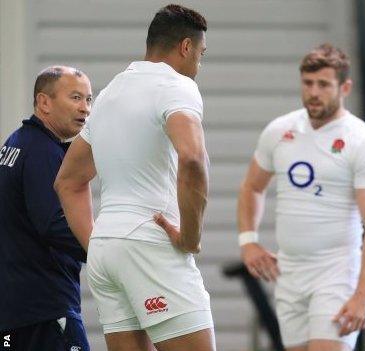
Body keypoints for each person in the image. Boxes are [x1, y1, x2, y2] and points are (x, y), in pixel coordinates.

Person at [54, 4, 215, 351]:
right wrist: (190, 237)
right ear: (185, 47)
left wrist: (99, 241)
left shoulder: (111, 93)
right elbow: (192, 159)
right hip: (151, 246)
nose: (199, 67)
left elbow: (67, 181)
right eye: (201, 55)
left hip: (106, 251)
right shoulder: (178, 86)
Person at [236, 43, 365, 351]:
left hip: (336, 272)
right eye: (308, 83)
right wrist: (248, 241)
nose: (313, 92)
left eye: (323, 84)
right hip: (289, 273)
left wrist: (363, 294)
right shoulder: (279, 131)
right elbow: (252, 187)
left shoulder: (364, 143)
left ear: (344, 87)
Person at [0, 66, 92, 350]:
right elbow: (54, 223)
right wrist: (104, 249)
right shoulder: (42, 151)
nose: (85, 109)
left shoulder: (15, 144)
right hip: (46, 310)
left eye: (89, 99)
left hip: (13, 312)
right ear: (44, 102)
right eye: (75, 97)